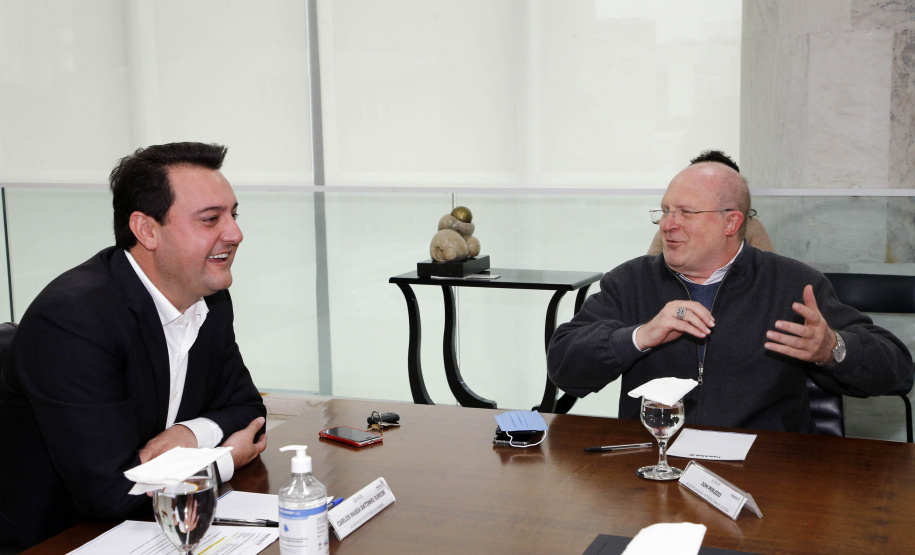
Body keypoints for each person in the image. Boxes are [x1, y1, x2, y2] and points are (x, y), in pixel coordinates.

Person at [0, 142, 268, 549]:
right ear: (146, 230)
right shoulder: (74, 319)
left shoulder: (207, 296)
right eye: (211, 219)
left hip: (152, 524)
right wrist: (225, 460)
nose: (234, 233)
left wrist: (187, 436)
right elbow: (109, 493)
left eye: (233, 215)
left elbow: (247, 410)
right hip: (60, 539)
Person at [547, 152, 913, 433]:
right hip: (657, 464)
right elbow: (564, 367)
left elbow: (898, 371)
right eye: (664, 211)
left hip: (768, 471)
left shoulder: (792, 285)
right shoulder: (630, 282)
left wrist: (833, 349)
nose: (668, 224)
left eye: (686, 212)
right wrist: (639, 337)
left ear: (731, 222)